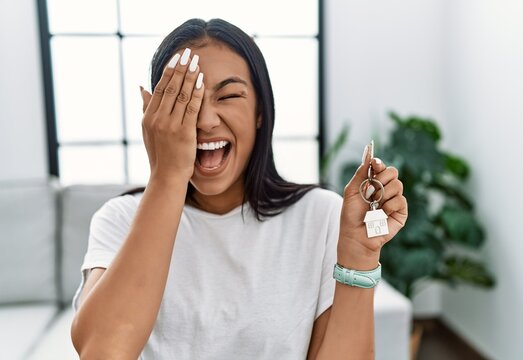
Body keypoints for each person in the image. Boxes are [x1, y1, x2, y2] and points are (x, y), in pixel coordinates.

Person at [70, 18, 407, 359]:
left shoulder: (319, 215)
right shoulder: (120, 219)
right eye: (183, 101)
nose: (204, 121)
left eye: (229, 95)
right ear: (154, 115)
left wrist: (359, 257)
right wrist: (168, 175)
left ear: (261, 110)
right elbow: (102, 353)